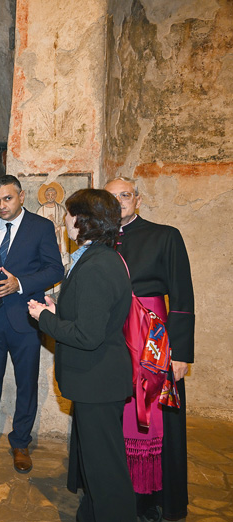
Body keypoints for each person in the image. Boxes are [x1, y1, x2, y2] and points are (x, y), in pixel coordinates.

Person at [28, 188, 135, 522]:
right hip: (98, 380)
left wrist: (44, 318)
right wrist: (57, 309)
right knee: (96, 466)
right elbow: (91, 315)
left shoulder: (96, 266)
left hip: (97, 380)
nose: (65, 220)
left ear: (84, 220)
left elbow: (87, 336)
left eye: (69, 214)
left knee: (106, 472)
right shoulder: (100, 257)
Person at [105, 177, 195, 522]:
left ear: (138, 200)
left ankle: (153, 498)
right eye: (111, 197)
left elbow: (182, 296)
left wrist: (181, 352)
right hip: (111, 340)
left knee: (155, 416)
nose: (119, 202)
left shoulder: (165, 236)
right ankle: (115, 490)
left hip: (152, 343)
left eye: (125, 195)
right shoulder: (99, 241)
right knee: (112, 414)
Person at [0, 175, 62, 473]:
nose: (2, 205)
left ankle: (20, 443)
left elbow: (54, 269)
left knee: (26, 384)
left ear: (21, 196)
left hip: (26, 319)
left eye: (7, 198)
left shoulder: (41, 227)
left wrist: (20, 284)